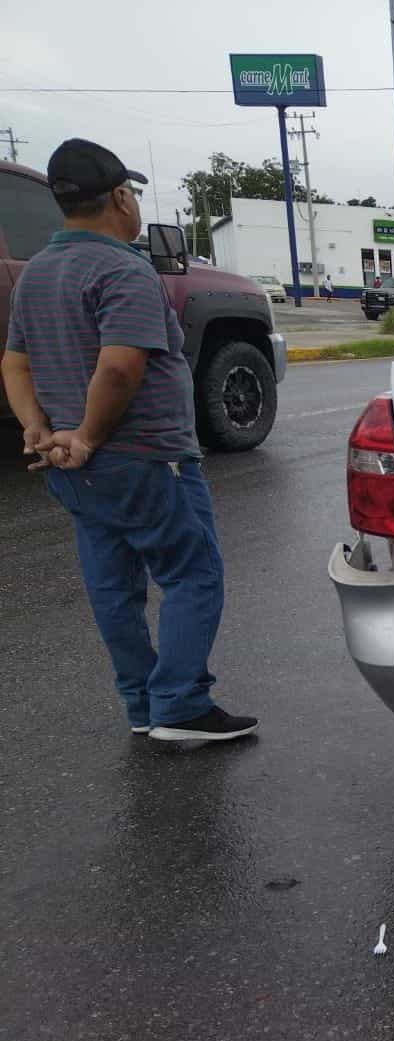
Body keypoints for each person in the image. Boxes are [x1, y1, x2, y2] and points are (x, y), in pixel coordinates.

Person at [1, 138, 257, 743]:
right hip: (143, 457)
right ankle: (180, 704)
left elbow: (14, 363)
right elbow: (119, 367)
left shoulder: (37, 272)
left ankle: (142, 704)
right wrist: (88, 437)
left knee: (113, 586)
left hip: (71, 465)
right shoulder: (123, 268)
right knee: (194, 575)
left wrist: (38, 429)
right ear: (119, 196)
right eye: (132, 193)